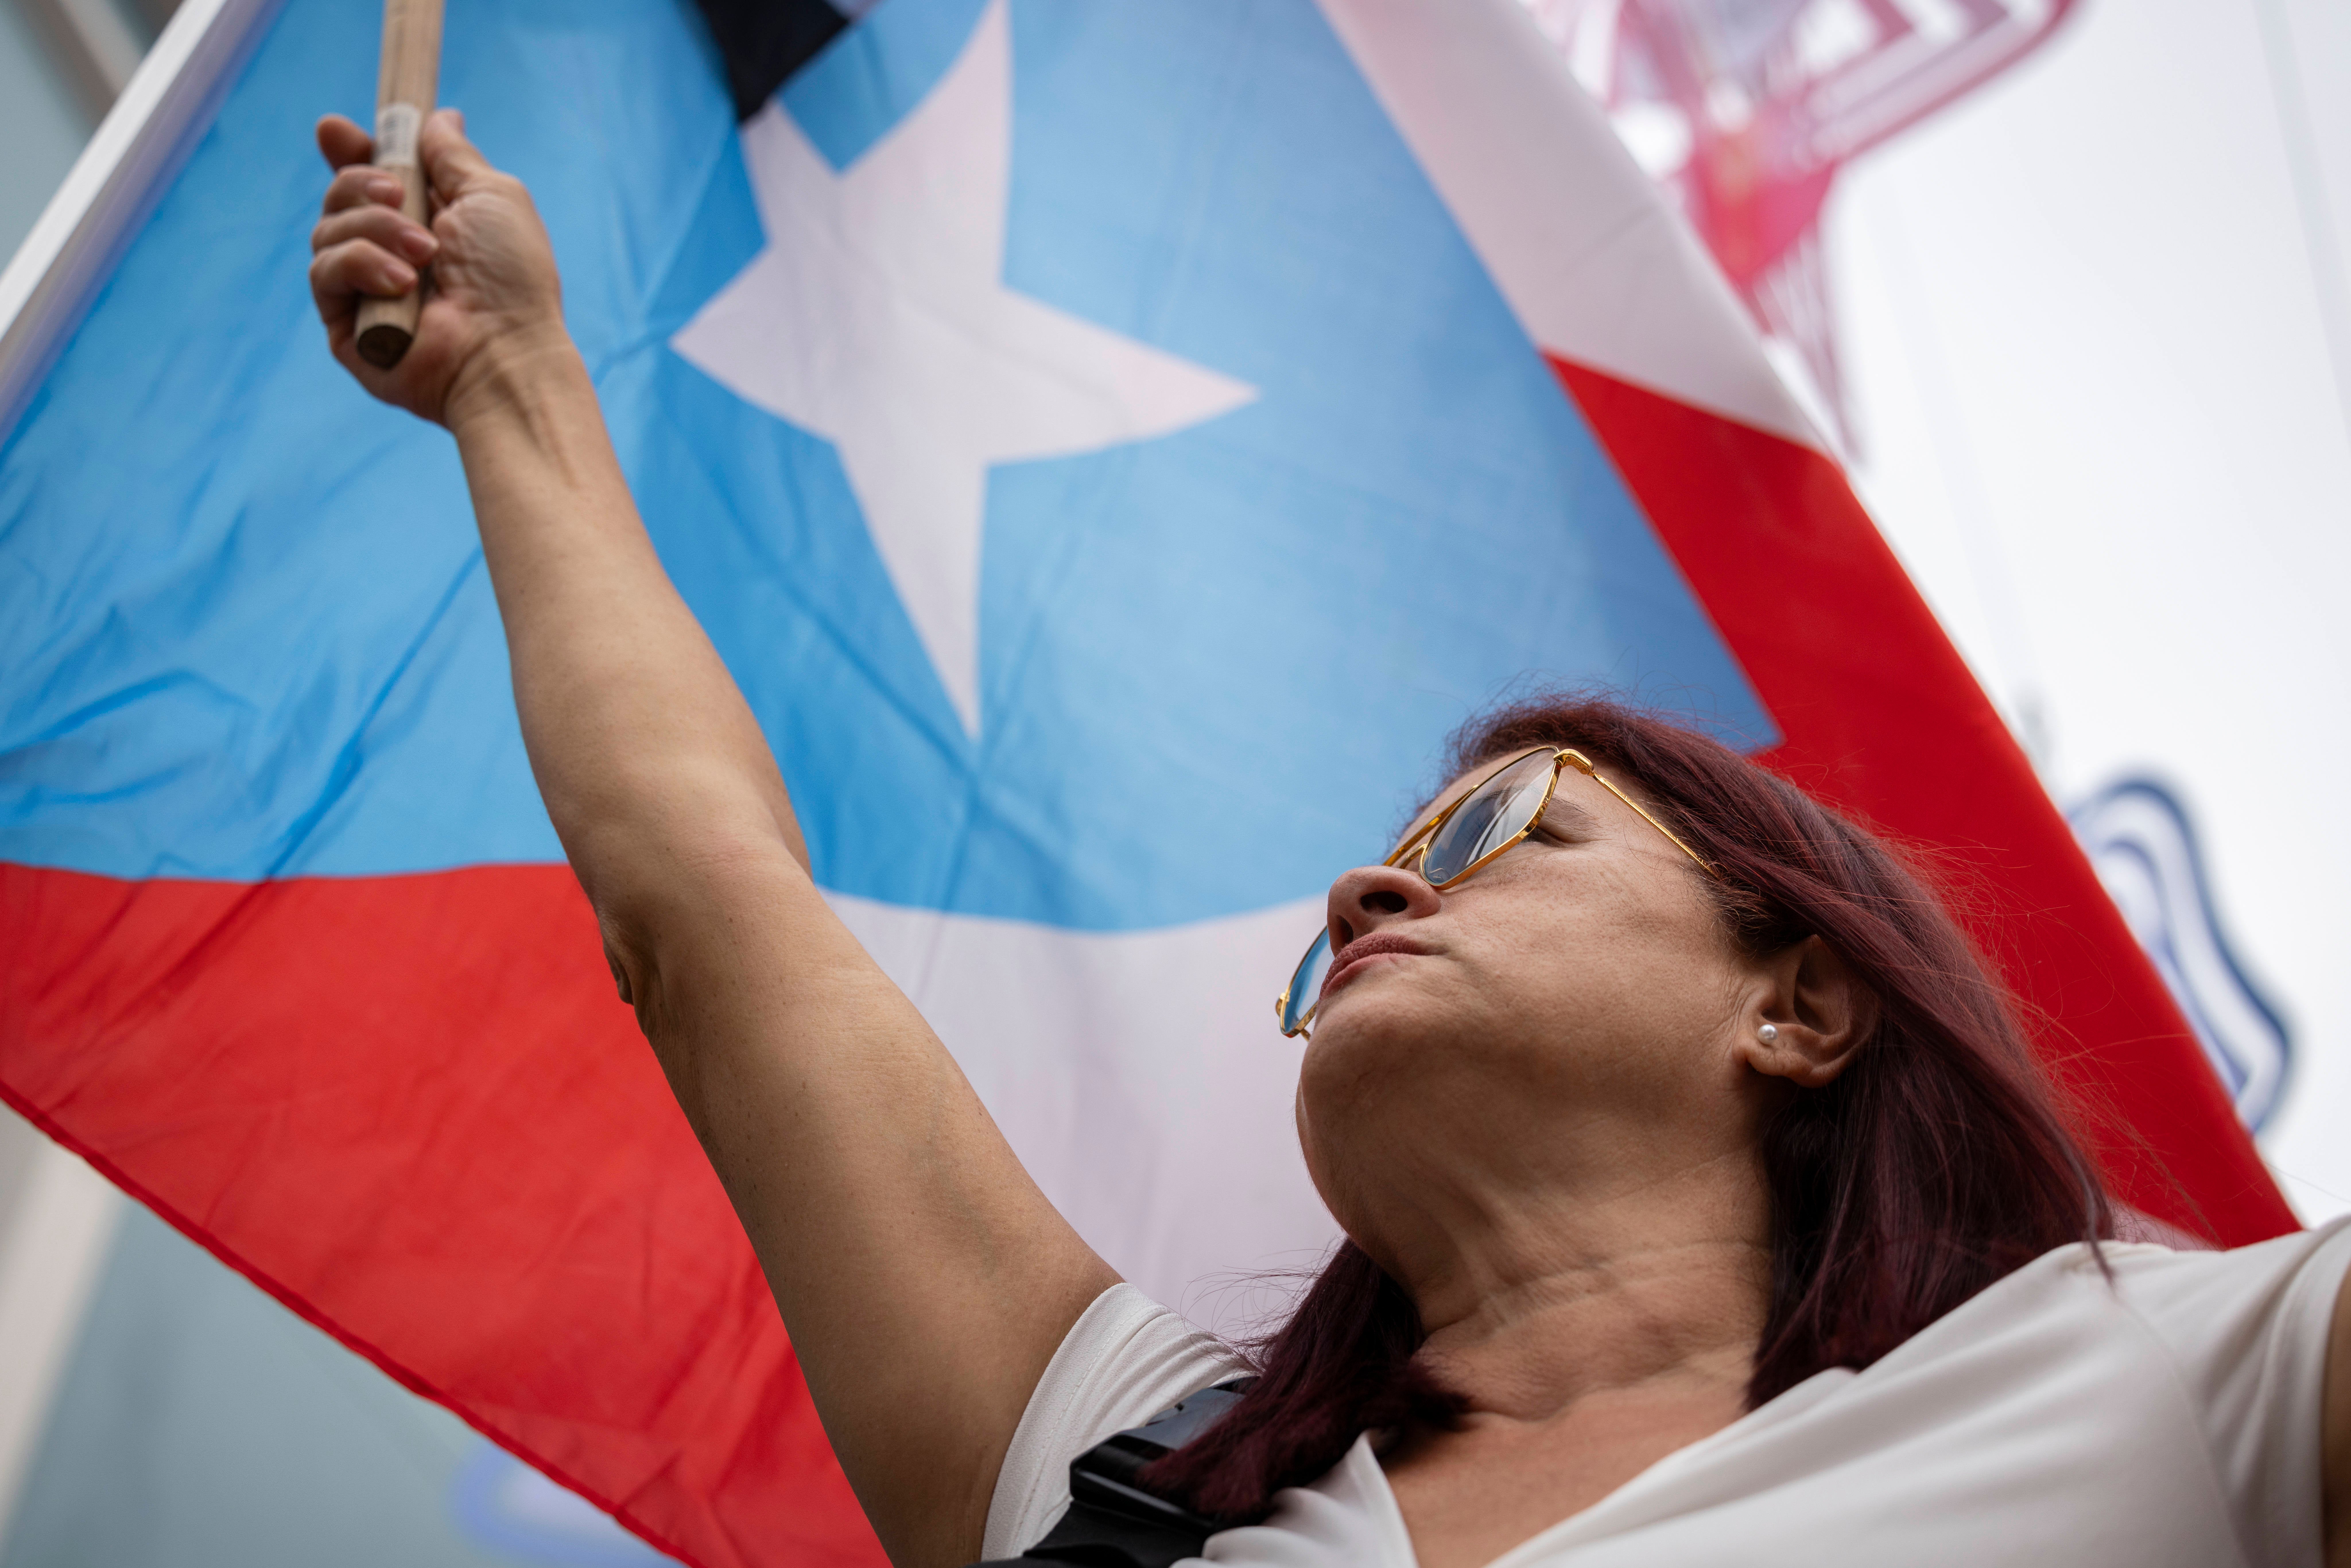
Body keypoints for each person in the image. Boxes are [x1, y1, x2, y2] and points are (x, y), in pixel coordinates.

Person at [307, 110, 2351, 1568]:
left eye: (1498, 834)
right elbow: (709, 911)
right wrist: (515, 389)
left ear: (1801, 999)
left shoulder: (2183, 1384)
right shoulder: (1120, 1476)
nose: (1370, 888)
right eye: (1385, 868)